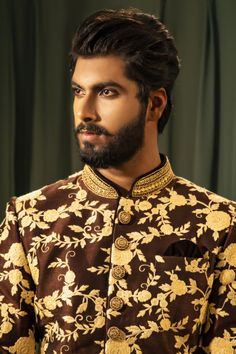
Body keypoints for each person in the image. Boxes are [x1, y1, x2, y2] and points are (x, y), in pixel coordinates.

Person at [0, 8, 235, 354]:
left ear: (154, 104)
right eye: (79, 91)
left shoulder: (221, 224)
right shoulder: (29, 218)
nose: (85, 111)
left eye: (106, 92)